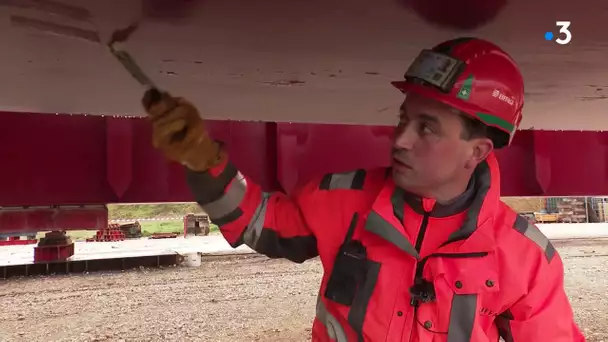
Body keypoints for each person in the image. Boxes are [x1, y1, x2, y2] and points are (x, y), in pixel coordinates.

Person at [142, 37, 585, 341]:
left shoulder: (526, 258)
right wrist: (204, 162)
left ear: (476, 151)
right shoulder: (342, 200)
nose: (400, 139)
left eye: (426, 128)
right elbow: (262, 223)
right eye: (402, 119)